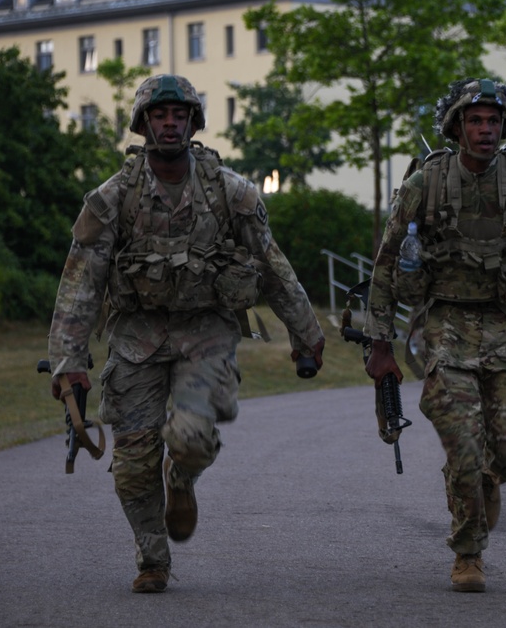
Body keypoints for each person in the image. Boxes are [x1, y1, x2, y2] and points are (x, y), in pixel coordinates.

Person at [48, 74, 325, 594]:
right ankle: (152, 560)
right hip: (136, 338)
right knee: (131, 464)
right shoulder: (113, 198)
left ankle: (182, 480)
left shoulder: (231, 192)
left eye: (180, 115)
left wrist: (305, 334)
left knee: (191, 438)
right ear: (144, 123)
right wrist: (69, 361)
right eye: (160, 115)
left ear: (193, 122)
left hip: (206, 334)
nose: (170, 123)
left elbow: (272, 266)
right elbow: (80, 283)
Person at [363, 78, 506, 593]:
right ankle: (468, 553)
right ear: (457, 127)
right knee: (462, 446)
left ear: (504, 126)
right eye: (475, 121)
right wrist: (380, 343)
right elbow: (386, 263)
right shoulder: (427, 183)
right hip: (447, 327)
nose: (485, 130)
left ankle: (488, 479)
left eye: (493, 121)